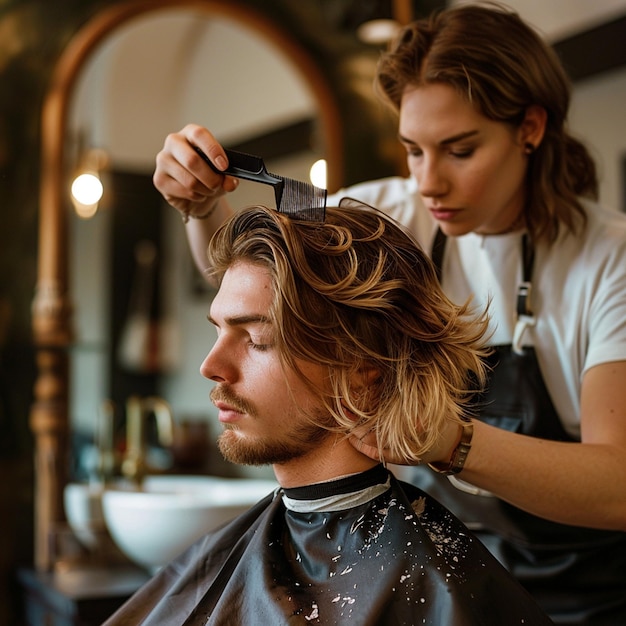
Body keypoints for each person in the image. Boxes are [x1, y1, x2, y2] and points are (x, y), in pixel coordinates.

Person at [152, 4, 626, 624]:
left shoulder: (608, 260)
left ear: (530, 128)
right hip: (430, 583)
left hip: (586, 604)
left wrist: (452, 442)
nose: (429, 183)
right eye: (413, 150)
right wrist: (198, 206)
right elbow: (254, 293)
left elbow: (618, 486)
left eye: (459, 150)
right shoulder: (387, 217)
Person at [104, 202, 552, 625]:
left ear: (362, 376)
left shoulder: (435, 586)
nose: (210, 366)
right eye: (219, 330)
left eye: (257, 340)